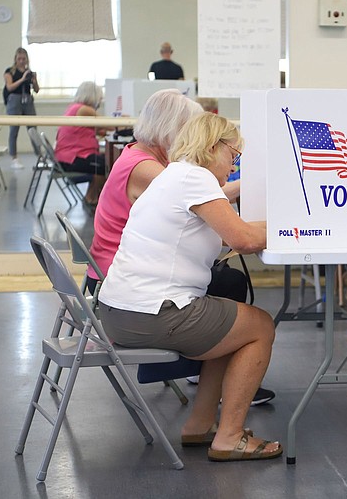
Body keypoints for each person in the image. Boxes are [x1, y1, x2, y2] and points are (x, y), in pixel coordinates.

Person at [98, 112, 280, 462]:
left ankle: (200, 424)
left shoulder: (177, 176)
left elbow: (235, 226)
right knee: (259, 326)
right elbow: (242, 238)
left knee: (232, 321)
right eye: (234, 154)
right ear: (213, 147)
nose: (235, 163)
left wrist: (272, 225)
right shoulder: (194, 179)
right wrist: (299, 227)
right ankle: (229, 438)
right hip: (153, 313)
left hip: (123, 311)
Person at [54, 81, 108, 206]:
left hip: (67, 157)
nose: (100, 101)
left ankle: (91, 197)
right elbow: (108, 124)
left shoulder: (74, 107)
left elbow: (98, 129)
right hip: (73, 159)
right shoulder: (84, 110)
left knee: (103, 161)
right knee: (107, 165)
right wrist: (124, 121)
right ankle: (93, 199)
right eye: (100, 98)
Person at [3, 47, 40, 169]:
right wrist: (22, 79)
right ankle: (14, 158)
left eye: (24, 59)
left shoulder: (29, 72)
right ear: (15, 59)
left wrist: (33, 80)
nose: (22, 61)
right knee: (14, 129)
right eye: (19, 59)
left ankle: (39, 156)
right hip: (14, 100)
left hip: (27, 100)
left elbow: (36, 90)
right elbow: (10, 87)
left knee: (32, 129)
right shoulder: (9, 72)